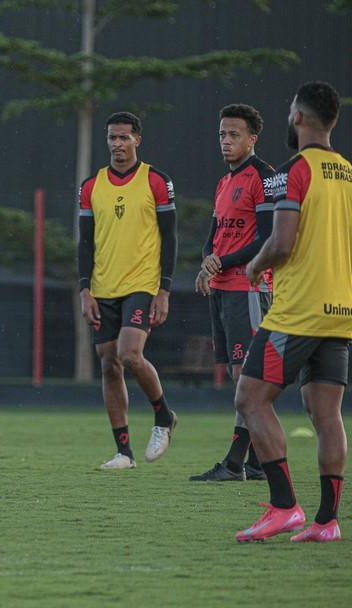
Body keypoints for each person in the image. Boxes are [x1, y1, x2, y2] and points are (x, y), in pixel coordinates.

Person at [234, 81, 351, 543]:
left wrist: (255, 265)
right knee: (326, 414)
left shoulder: (293, 171)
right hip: (340, 310)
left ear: (298, 118)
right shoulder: (346, 171)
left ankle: (284, 506)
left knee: (249, 398)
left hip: (297, 311)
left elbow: (282, 244)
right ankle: (327, 521)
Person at [78, 112, 178, 470]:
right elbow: (85, 243)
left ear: (137, 139)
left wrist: (163, 289)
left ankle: (163, 416)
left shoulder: (155, 181)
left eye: (124, 138)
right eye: (112, 138)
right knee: (108, 364)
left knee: (129, 354)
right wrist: (85, 289)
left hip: (141, 284)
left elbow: (169, 238)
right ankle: (124, 452)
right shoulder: (91, 187)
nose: (117, 145)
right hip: (103, 287)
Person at [190, 104, 275, 482]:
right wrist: (207, 261)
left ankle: (235, 462)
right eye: (222, 134)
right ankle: (256, 462)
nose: (226, 141)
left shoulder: (265, 177)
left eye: (234, 134)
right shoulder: (224, 182)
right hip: (224, 287)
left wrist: (221, 262)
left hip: (250, 287)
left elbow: (266, 238)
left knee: (247, 376)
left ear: (252, 138)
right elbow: (214, 235)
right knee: (240, 374)